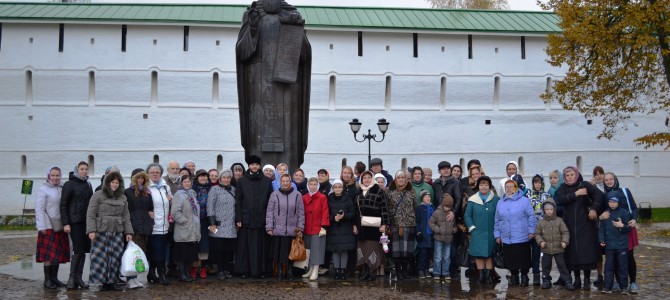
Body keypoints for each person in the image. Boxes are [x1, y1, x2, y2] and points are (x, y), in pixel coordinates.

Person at [236, 0, 312, 169]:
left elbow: (305, 56)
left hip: (288, 89)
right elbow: (242, 53)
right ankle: (259, 173)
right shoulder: (252, 14)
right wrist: (253, 29)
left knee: (288, 136)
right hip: (257, 86)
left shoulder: (292, 15)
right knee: (258, 133)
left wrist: (296, 30)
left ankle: (289, 174)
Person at [555, 166, 604, 290]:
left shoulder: (585, 185)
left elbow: (599, 195)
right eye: (567, 175)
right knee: (572, 254)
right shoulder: (563, 188)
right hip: (570, 225)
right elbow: (561, 200)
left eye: (572, 175)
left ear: (576, 175)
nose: (570, 177)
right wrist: (576, 193)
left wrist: (594, 209)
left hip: (586, 224)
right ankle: (577, 280)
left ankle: (586, 280)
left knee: (585, 253)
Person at [85, 172, 133, 291]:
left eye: (117, 182)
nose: (115, 185)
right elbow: (90, 214)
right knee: (101, 258)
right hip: (101, 231)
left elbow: (126, 215)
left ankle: (112, 281)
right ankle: (102, 281)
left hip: (117, 231)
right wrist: (91, 230)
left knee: (116, 256)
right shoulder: (98, 195)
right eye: (113, 182)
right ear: (107, 183)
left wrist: (129, 232)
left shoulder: (123, 197)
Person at [235, 155, 273, 279]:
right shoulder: (242, 181)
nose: (254, 166)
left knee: (261, 247)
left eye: (256, 164)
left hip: (262, 219)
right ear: (249, 166)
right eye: (252, 164)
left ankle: (262, 270)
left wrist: (270, 219)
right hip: (246, 219)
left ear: (259, 166)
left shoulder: (267, 181)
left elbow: (270, 201)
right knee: (245, 248)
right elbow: (238, 201)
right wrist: (239, 219)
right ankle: (245, 270)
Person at [494, 180, 537, 287]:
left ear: (516, 187)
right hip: (506, 236)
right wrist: (497, 234)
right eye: (506, 187)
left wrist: (532, 230)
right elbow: (497, 220)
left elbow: (531, 216)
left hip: (522, 234)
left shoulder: (524, 201)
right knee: (510, 258)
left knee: (523, 257)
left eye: (511, 186)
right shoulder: (500, 202)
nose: (509, 188)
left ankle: (524, 276)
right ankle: (514, 276)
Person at [602, 172, 639, 294]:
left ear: (615, 179)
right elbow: (603, 212)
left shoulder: (624, 191)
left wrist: (634, 219)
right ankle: (619, 282)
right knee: (616, 257)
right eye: (606, 180)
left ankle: (632, 282)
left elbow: (633, 207)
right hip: (613, 231)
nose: (608, 181)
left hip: (627, 226)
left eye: (611, 179)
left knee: (628, 256)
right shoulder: (605, 195)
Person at [60, 161, 93, 290]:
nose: (84, 171)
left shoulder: (87, 184)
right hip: (74, 222)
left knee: (84, 250)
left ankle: (79, 278)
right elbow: (63, 205)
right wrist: (66, 223)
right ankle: (72, 277)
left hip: (86, 222)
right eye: (82, 169)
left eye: (86, 169)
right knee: (78, 250)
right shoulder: (69, 184)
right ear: (77, 170)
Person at [266, 174, 305, 281]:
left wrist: (300, 228)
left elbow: (301, 213)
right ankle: (279, 271)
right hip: (278, 229)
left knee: (291, 252)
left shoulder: (297, 195)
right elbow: (270, 212)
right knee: (278, 253)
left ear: (290, 182)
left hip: (292, 230)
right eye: (283, 181)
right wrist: (269, 227)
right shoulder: (274, 195)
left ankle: (289, 271)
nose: (285, 183)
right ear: (280, 182)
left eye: (287, 181)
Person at [36, 166, 69, 289]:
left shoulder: (61, 188)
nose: (55, 178)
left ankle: (55, 278)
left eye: (57, 175)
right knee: (48, 255)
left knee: (57, 254)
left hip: (59, 225)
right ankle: (47, 280)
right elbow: (39, 209)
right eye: (53, 175)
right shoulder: (43, 190)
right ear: (49, 176)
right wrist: (41, 226)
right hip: (48, 226)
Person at [464, 176, 499, 284]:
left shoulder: (496, 199)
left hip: (490, 232)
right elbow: (467, 215)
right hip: (477, 232)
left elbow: (500, 214)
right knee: (478, 254)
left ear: (489, 186)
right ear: (478, 186)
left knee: (489, 254)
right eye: (481, 184)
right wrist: (472, 228)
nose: (484, 187)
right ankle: (481, 275)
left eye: (486, 185)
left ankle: (488, 275)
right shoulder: (472, 200)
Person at [354, 170, 389, 281]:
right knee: (362, 248)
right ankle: (364, 272)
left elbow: (384, 208)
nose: (367, 180)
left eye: (369, 177)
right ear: (361, 180)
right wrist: (354, 225)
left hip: (374, 226)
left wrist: (384, 224)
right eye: (365, 178)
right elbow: (355, 210)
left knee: (372, 249)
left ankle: (372, 272)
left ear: (372, 179)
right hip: (361, 226)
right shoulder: (358, 191)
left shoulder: (378, 191)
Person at [432, 160, 463, 280]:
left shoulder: (455, 182)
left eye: (447, 168)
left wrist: (454, 213)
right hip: (439, 217)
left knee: (452, 246)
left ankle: (451, 270)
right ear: (439, 171)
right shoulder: (436, 183)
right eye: (443, 168)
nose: (445, 170)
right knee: (439, 246)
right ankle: (438, 271)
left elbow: (459, 199)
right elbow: (435, 199)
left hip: (451, 217)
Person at [123, 169, 154, 289]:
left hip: (144, 226)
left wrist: (150, 218)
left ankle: (135, 278)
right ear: (133, 178)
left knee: (140, 253)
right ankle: (130, 279)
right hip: (133, 226)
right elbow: (126, 210)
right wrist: (128, 228)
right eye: (138, 178)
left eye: (142, 178)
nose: (140, 180)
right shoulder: (127, 192)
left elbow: (150, 208)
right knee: (132, 254)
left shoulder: (146, 192)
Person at [534, 199, 574, 290]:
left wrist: (564, 241)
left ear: (554, 210)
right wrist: (540, 242)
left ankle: (567, 281)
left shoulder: (559, 220)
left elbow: (565, 232)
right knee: (545, 266)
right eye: (547, 209)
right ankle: (546, 280)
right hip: (546, 249)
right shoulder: (541, 222)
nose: (549, 211)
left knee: (562, 265)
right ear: (544, 210)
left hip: (559, 248)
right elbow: (537, 234)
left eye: (551, 209)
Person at [207, 170, 238, 281]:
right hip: (218, 225)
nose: (226, 179)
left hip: (230, 225)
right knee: (219, 249)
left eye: (228, 177)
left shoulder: (234, 190)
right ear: (220, 179)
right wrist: (212, 223)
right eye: (224, 177)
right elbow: (210, 207)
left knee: (228, 249)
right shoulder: (214, 189)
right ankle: (220, 270)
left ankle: (225, 269)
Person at [385, 170, 417, 280]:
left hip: (409, 224)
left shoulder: (411, 191)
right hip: (395, 225)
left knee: (407, 251)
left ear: (406, 180)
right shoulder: (389, 191)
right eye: (399, 177)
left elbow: (414, 206)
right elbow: (387, 208)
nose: (401, 179)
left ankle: (405, 272)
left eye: (403, 177)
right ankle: (398, 272)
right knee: (397, 251)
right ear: (395, 179)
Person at [598, 196, 631, 295]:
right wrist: (602, 240)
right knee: (609, 266)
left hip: (622, 245)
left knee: (622, 266)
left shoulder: (624, 213)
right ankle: (607, 286)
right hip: (609, 246)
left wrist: (622, 226)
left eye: (614, 202)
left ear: (618, 202)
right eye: (610, 202)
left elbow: (629, 228)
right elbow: (602, 229)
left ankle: (624, 287)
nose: (612, 204)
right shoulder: (605, 213)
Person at [146, 163, 172, 285]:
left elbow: (169, 201)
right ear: (148, 174)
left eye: (157, 172)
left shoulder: (165, 187)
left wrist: (171, 199)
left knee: (161, 250)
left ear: (161, 174)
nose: (155, 174)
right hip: (153, 225)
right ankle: (160, 274)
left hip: (164, 225)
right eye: (152, 172)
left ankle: (151, 273)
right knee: (155, 250)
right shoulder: (146, 187)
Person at [171, 175, 200, 282]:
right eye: (185, 182)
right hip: (183, 229)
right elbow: (175, 212)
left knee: (189, 254)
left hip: (193, 228)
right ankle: (182, 273)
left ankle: (187, 272)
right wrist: (184, 221)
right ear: (181, 183)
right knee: (181, 254)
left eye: (189, 181)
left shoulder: (192, 193)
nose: (187, 183)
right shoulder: (179, 195)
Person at [525, 174, 552, 286]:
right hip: (529, 229)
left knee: (540, 254)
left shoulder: (547, 195)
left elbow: (551, 212)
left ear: (542, 184)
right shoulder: (528, 195)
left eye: (539, 182)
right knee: (528, 254)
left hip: (543, 229)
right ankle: (531, 274)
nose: (537, 184)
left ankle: (542, 275)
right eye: (535, 182)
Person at [326, 179, 356, 280]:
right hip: (333, 228)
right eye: (335, 187)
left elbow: (352, 212)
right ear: (333, 188)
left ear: (342, 188)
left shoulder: (347, 198)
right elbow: (326, 214)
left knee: (344, 250)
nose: (337, 189)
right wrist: (333, 218)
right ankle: (337, 270)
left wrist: (344, 216)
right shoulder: (329, 198)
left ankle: (342, 271)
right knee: (334, 250)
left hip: (345, 227)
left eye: (339, 187)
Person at [301, 177, 330, 280]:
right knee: (309, 249)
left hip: (318, 228)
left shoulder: (322, 197)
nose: (312, 186)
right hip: (307, 227)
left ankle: (315, 270)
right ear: (308, 185)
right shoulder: (304, 197)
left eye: (314, 184)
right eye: (311, 184)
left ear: (317, 186)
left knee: (317, 250)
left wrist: (324, 226)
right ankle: (310, 269)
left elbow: (325, 211)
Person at [428, 193, 455, 281]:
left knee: (447, 257)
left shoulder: (452, 214)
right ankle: (437, 272)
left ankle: (446, 272)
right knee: (438, 256)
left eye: (449, 207)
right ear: (443, 205)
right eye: (446, 206)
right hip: (438, 238)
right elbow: (431, 222)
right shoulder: (437, 212)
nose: (447, 208)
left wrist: (454, 230)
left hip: (449, 238)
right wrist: (437, 230)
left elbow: (455, 225)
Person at [191, 170, 212, 279]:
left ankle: (204, 267)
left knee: (205, 244)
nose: (203, 178)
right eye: (201, 177)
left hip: (207, 221)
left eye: (205, 177)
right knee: (194, 244)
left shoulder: (211, 188)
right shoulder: (192, 189)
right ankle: (194, 268)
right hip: (194, 221)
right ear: (197, 178)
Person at [415, 190, 435, 280]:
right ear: (422, 198)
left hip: (431, 234)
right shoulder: (419, 208)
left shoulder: (433, 207)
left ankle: (427, 269)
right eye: (425, 197)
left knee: (429, 254)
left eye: (429, 196)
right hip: (423, 233)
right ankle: (420, 270)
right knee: (422, 254)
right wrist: (418, 231)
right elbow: (417, 221)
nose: (428, 198)